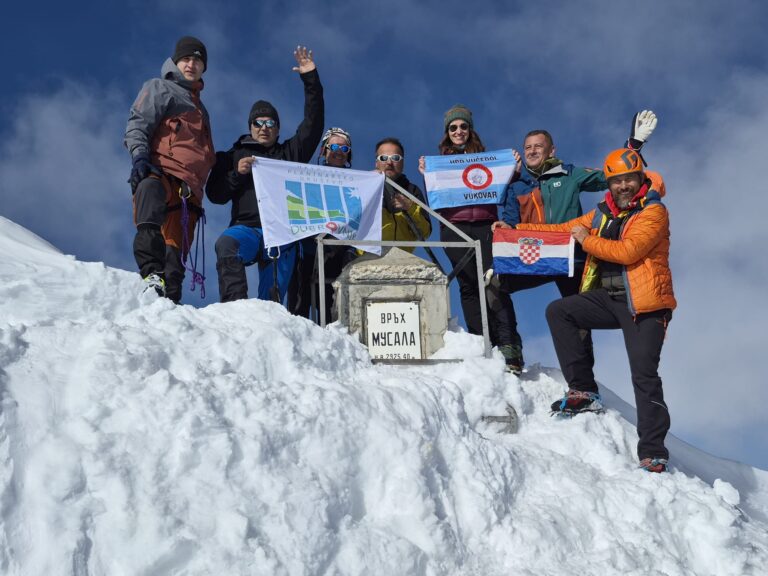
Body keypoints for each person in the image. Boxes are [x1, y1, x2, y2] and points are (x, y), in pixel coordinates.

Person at [516, 148, 675, 472]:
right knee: (560, 311)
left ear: (641, 179)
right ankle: (584, 390)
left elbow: (629, 251)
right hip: (610, 298)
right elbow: (566, 228)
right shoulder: (603, 213)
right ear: (610, 184)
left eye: (629, 179)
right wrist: (516, 230)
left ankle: (653, 450)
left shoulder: (654, 212)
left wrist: (586, 240)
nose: (623, 186)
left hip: (645, 307)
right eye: (617, 181)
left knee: (644, 376)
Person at [490, 111, 658, 372]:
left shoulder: (569, 174)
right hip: (535, 256)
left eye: (538, 146)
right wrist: (504, 228)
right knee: (493, 285)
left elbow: (610, 176)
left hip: (572, 256)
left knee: (578, 315)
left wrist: (633, 147)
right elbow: (511, 221)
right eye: (528, 147)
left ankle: (583, 382)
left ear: (551, 149)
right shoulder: (516, 186)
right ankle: (510, 352)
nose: (532, 151)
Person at [206, 46, 324, 303]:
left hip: (280, 234)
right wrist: (236, 175)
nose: (264, 127)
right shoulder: (231, 156)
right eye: (258, 122)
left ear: (278, 128)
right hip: (245, 229)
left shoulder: (289, 154)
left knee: (271, 302)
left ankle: (267, 326)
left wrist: (310, 79)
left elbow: (313, 125)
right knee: (226, 245)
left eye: (270, 123)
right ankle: (235, 308)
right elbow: (214, 195)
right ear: (250, 126)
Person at [419, 104, 519, 369]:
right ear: (447, 132)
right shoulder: (439, 163)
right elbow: (438, 201)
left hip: (487, 225)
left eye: (463, 126)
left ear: (470, 129)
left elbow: (505, 185)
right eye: (453, 127)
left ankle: (508, 344)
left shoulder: (489, 158)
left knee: (494, 282)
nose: (458, 131)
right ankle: (480, 341)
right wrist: (428, 174)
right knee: (468, 285)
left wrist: (513, 168)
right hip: (455, 227)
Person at [124, 36, 215, 303]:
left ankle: (169, 305)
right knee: (149, 202)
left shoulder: (202, 109)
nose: (191, 64)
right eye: (186, 58)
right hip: (161, 171)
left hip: (189, 192)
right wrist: (140, 157)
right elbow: (138, 123)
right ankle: (151, 273)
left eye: (198, 60)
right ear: (176, 62)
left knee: (175, 258)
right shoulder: (160, 88)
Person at [287, 127, 354, 320]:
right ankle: (298, 335)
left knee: (331, 307)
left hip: (338, 249)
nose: (338, 152)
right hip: (308, 247)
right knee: (300, 301)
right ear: (323, 150)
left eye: (344, 149)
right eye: (333, 146)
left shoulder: (358, 184)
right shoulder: (307, 176)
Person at [375, 137, 431, 249]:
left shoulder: (412, 190)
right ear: (376, 163)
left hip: (402, 260)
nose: (389, 162)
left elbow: (425, 232)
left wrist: (410, 207)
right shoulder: (364, 187)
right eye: (383, 158)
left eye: (395, 158)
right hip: (367, 257)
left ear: (402, 162)